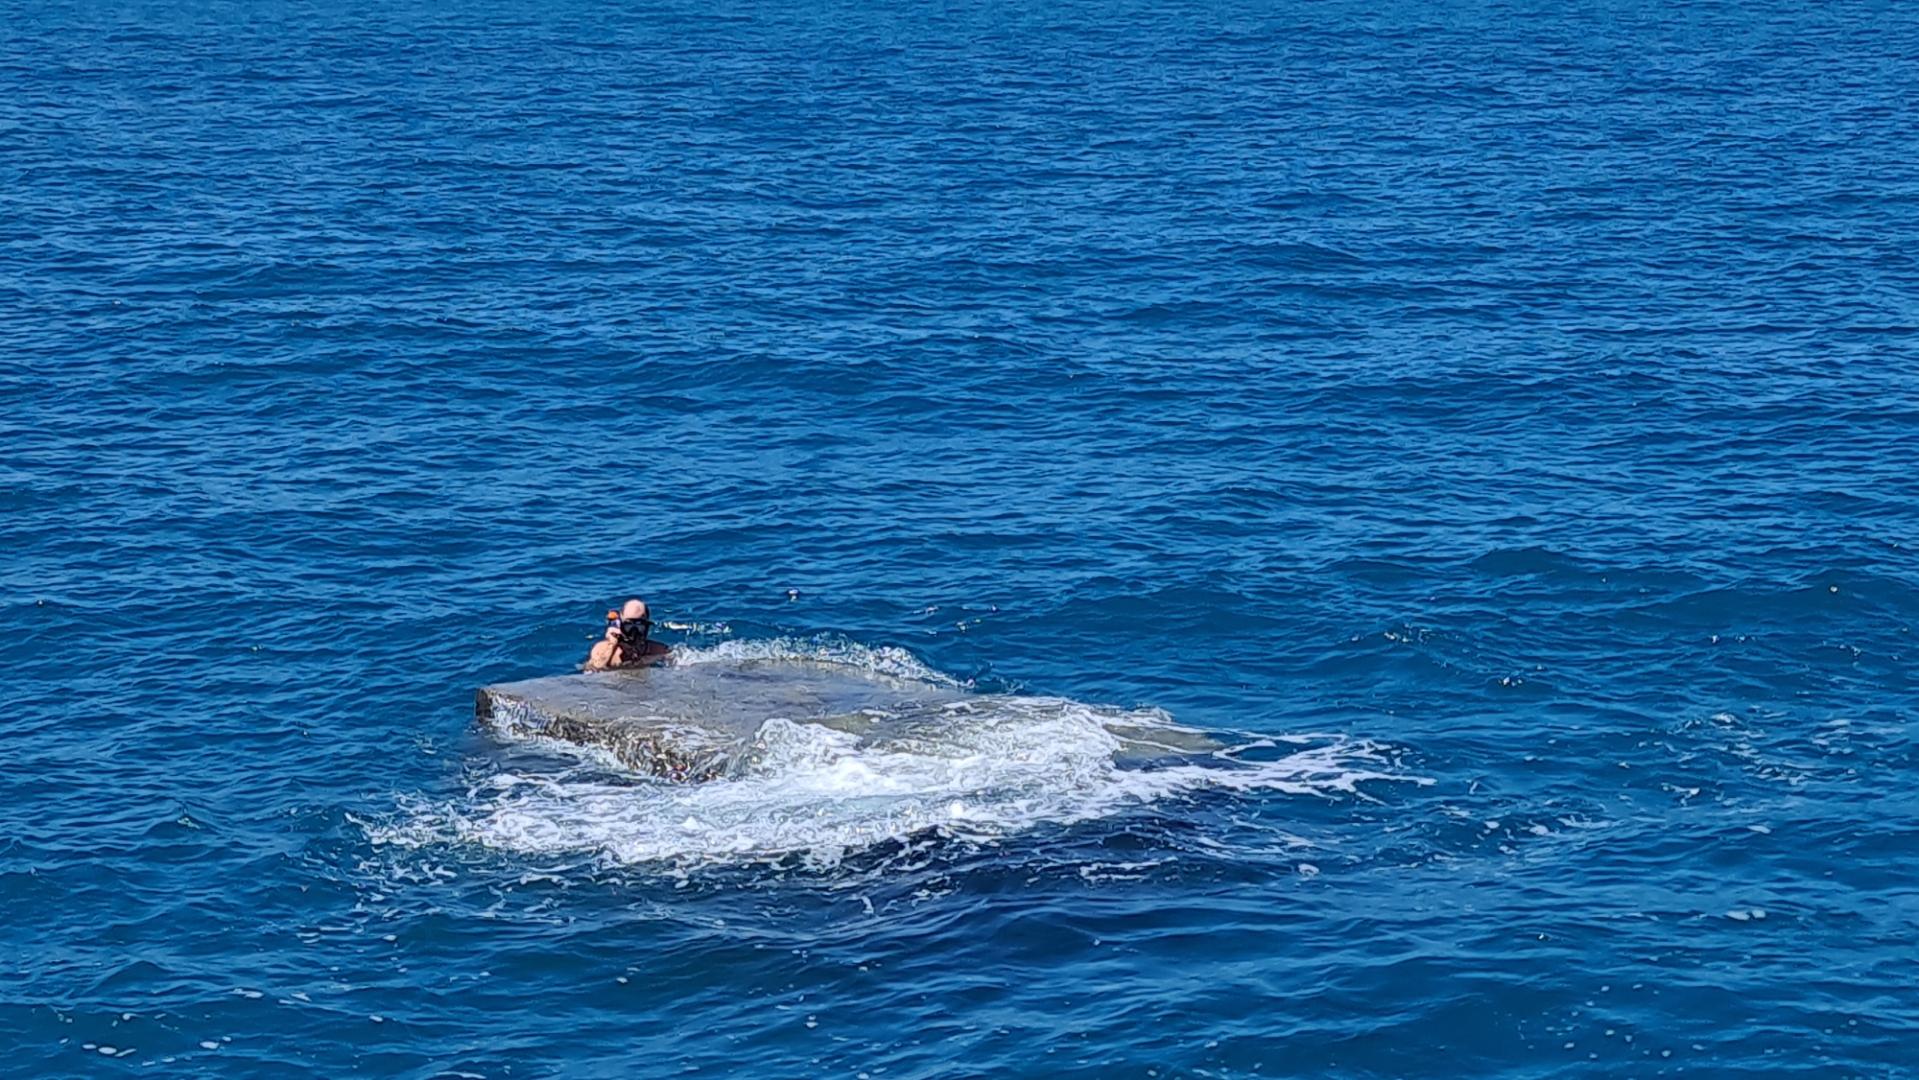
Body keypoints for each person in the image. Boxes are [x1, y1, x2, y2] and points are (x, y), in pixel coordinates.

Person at [584, 598, 671, 670]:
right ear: (620, 623)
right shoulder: (604, 648)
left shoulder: (659, 650)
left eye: (639, 625)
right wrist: (611, 644)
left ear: (647, 626)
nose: (634, 631)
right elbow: (592, 669)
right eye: (629, 625)